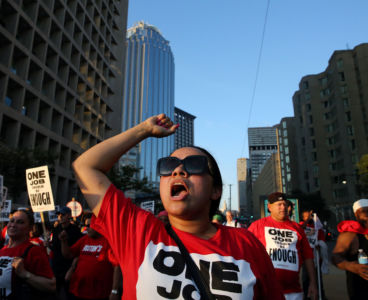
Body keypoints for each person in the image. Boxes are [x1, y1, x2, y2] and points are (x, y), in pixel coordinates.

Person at [72, 113, 284, 299]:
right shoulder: (137, 231)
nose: (178, 171)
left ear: (215, 190)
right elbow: (85, 167)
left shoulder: (247, 244)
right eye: (169, 165)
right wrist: (144, 130)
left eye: (193, 165)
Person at [248, 192, 317, 300]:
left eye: (285, 204)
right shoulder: (257, 226)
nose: (283, 207)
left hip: (294, 293)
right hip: (266, 292)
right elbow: (246, 255)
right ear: (269, 207)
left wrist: (313, 282)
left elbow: (308, 257)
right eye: (279, 204)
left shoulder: (297, 228)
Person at [0, 209, 55, 299]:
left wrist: (24, 274)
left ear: (30, 228)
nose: (13, 225)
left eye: (20, 222)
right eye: (12, 221)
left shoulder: (33, 251)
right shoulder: (2, 250)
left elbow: (51, 285)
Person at [59, 216, 122, 300]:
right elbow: (68, 255)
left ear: (99, 225)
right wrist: (64, 241)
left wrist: (114, 291)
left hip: (99, 294)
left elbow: (117, 267)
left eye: (89, 225)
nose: (86, 228)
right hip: (79, 291)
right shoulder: (84, 239)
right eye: (85, 225)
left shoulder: (108, 241)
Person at [332, 199, 368, 299]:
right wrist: (351, 266)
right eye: (362, 211)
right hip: (360, 290)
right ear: (356, 215)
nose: (366, 213)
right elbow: (335, 257)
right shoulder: (350, 234)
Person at [49, 206, 82, 300]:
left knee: (68, 294)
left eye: (62, 215)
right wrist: (48, 245)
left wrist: (72, 268)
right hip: (56, 267)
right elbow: (55, 248)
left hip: (68, 267)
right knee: (54, 293)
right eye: (59, 215)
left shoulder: (75, 230)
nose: (60, 217)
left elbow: (77, 252)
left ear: (69, 216)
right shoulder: (56, 229)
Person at [299, 209, 328, 299]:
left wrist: (320, 244)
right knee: (305, 278)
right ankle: (306, 295)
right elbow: (300, 230)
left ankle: (320, 295)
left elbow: (321, 238)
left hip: (316, 256)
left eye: (310, 216)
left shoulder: (316, 226)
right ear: (303, 218)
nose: (309, 218)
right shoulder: (301, 225)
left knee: (318, 278)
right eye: (306, 216)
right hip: (306, 258)